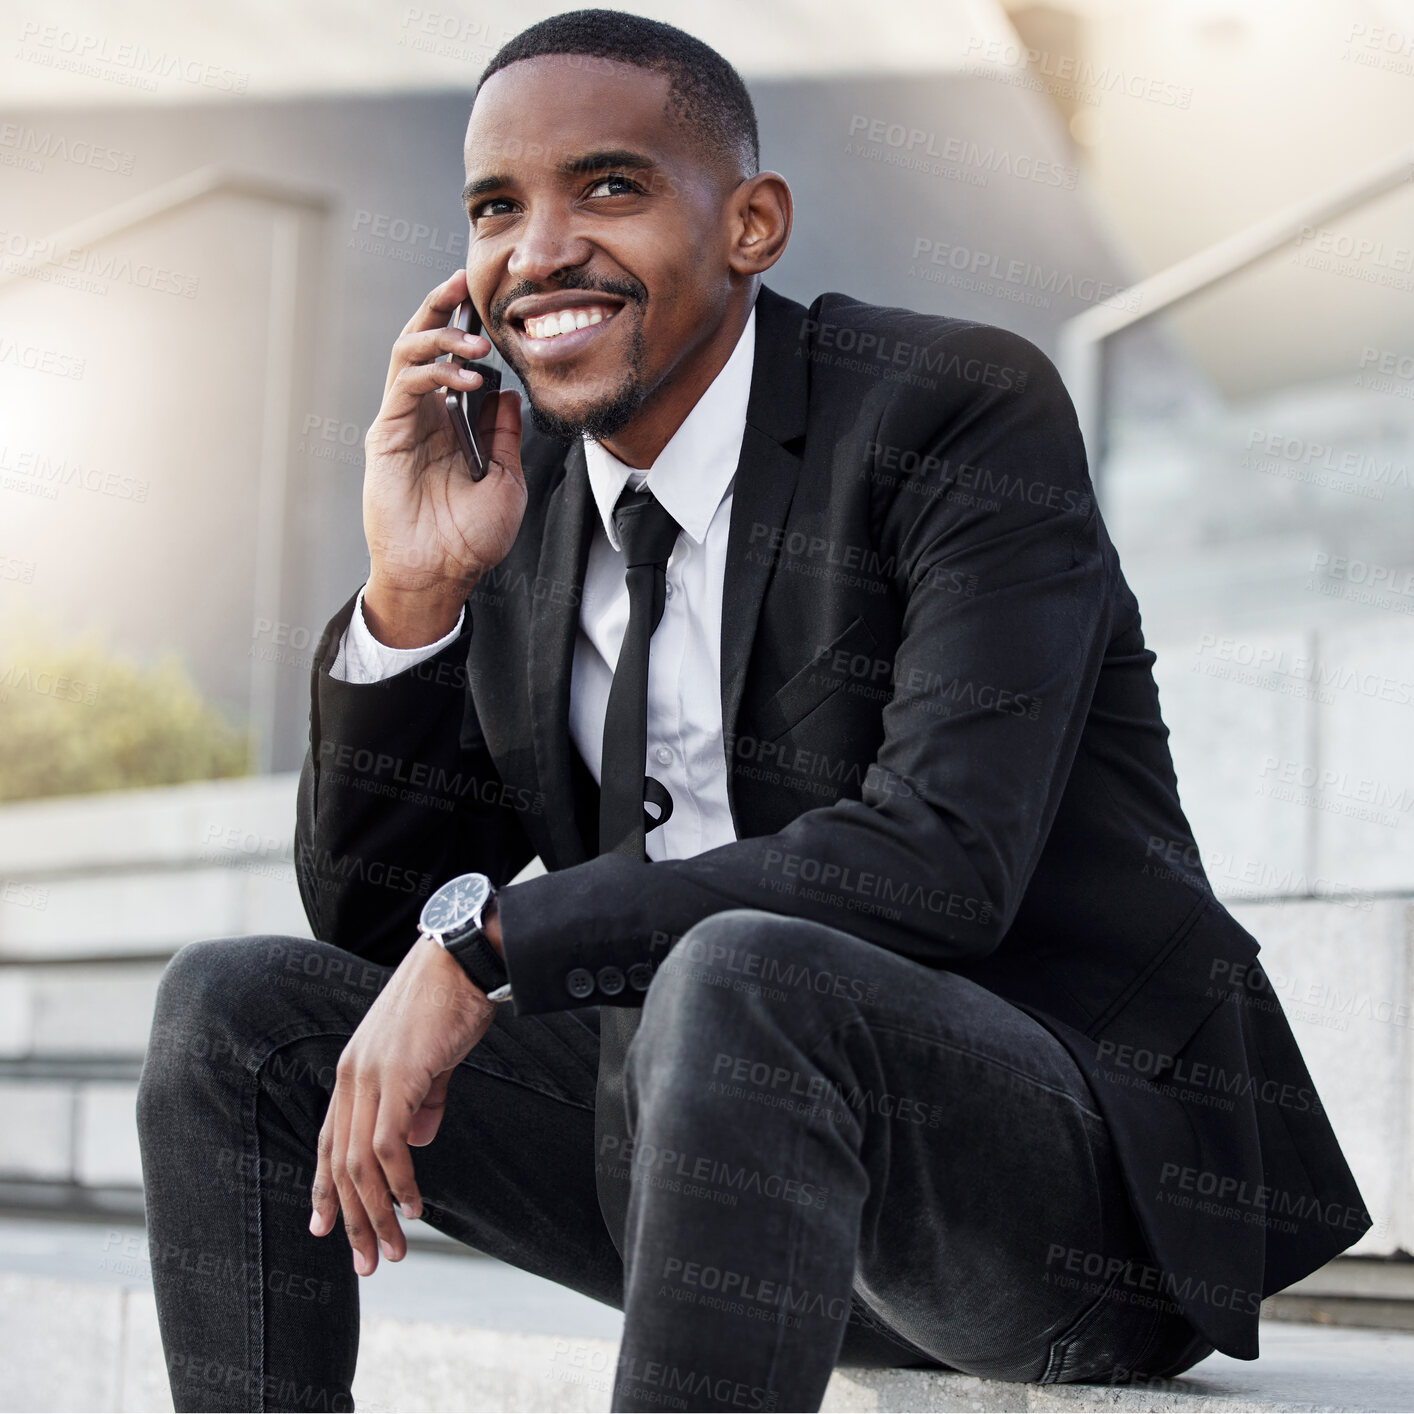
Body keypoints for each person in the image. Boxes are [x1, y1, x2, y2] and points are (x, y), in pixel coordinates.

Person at [137, 10, 1370, 1412]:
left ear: (752, 224)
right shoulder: (516, 499)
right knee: (232, 1011)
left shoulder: (953, 412)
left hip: (1038, 1198)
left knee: (743, 971)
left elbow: (937, 859)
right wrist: (411, 593)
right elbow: (369, 927)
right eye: (495, 206)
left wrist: (494, 946)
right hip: (694, 1164)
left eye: (608, 186)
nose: (537, 251)